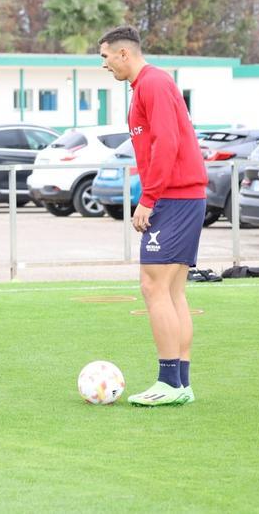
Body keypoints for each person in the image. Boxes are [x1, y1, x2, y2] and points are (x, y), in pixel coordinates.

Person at [99, 25, 207, 407]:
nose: (105, 65)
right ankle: (181, 384)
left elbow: (168, 142)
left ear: (124, 54)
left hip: (174, 199)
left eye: (106, 57)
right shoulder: (146, 86)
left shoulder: (153, 84)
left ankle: (169, 382)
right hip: (182, 197)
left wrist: (149, 198)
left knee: (153, 286)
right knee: (173, 290)